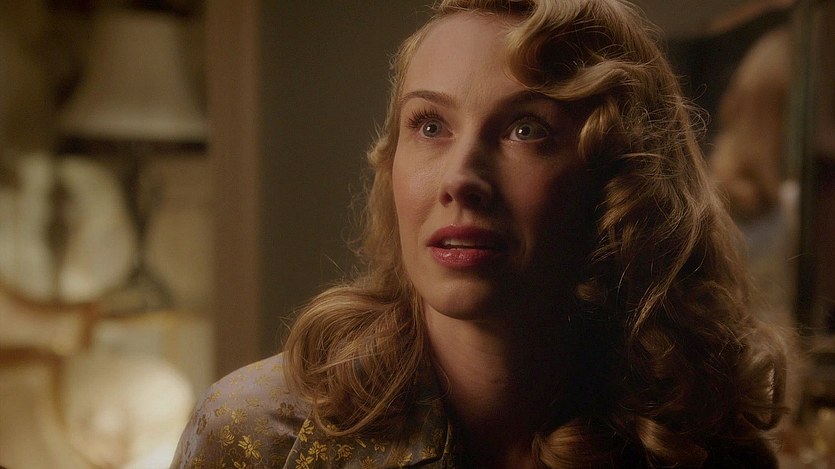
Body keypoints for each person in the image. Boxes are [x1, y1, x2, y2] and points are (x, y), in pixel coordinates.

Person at [171, 0, 789, 467]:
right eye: (430, 125)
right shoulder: (260, 435)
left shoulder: (702, 448)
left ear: (619, 180)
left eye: (526, 129)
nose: (461, 178)